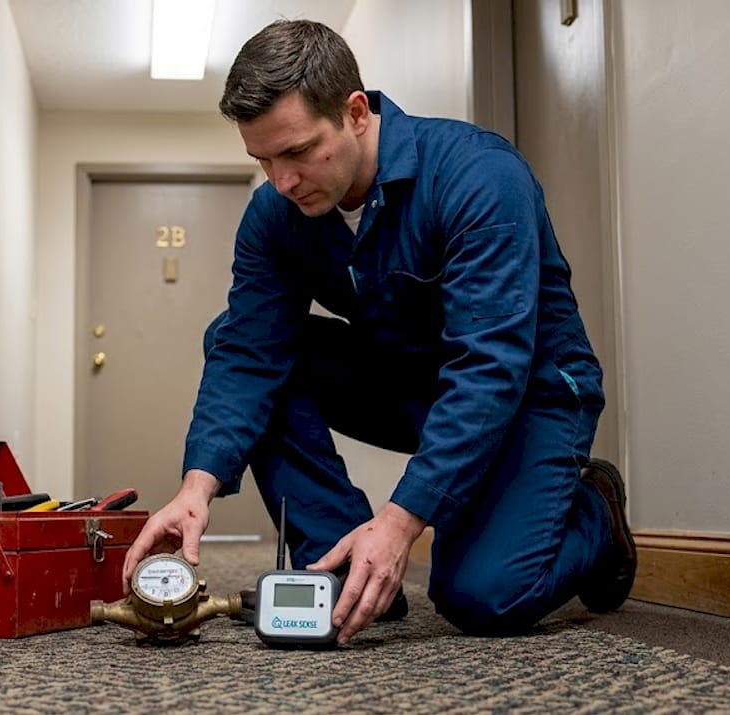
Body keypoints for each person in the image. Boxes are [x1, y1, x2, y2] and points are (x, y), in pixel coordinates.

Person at [121, 19, 637, 644]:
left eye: (298, 152)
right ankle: (341, 564)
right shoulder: (276, 215)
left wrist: (400, 523)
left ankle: (598, 513)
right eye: (262, 160)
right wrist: (195, 487)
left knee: (482, 596)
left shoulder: (479, 178)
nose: (281, 181)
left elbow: (490, 366)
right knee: (233, 336)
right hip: (408, 381)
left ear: (356, 113)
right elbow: (248, 354)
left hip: (528, 392)